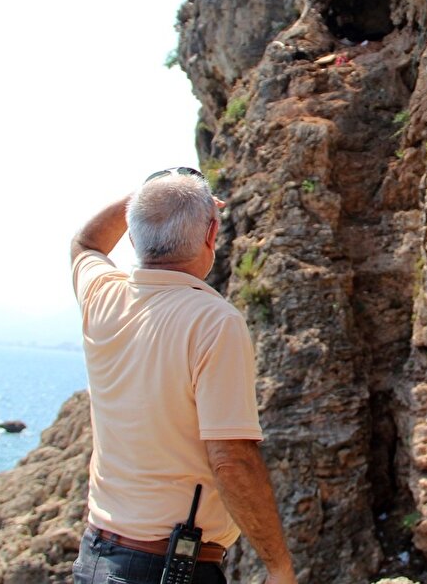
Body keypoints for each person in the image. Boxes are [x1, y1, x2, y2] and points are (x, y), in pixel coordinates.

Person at [70, 166, 296, 584]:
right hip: (167, 570)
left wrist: (148, 199)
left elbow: (86, 243)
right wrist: (278, 567)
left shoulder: (103, 296)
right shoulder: (214, 321)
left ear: (133, 237)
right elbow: (231, 459)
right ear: (212, 235)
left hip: (95, 558)